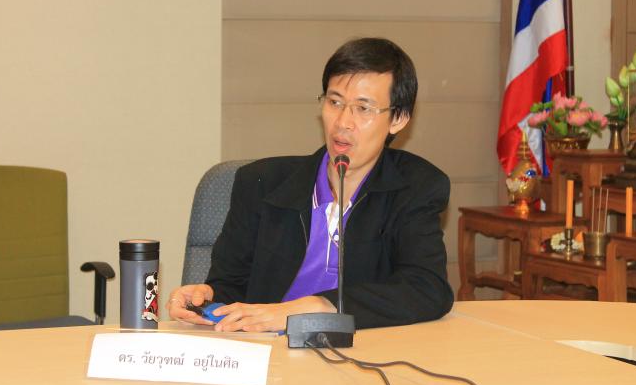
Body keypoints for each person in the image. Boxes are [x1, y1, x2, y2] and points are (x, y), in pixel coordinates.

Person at [167, 37, 454, 332]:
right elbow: (230, 287)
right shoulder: (260, 184)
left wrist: (320, 307)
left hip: (365, 348)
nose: (343, 122)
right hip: (269, 348)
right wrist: (207, 298)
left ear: (398, 118)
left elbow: (427, 288)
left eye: (363, 108)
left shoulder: (417, 187)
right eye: (335, 102)